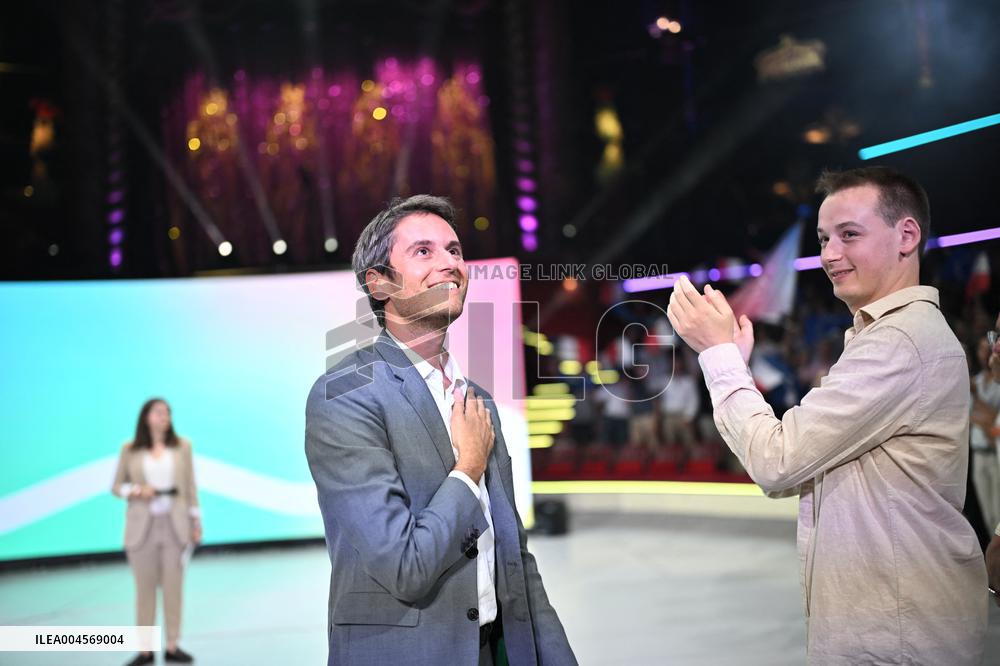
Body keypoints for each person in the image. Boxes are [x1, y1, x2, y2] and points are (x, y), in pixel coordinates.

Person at [667, 166, 987, 664]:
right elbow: (797, 460)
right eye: (823, 239)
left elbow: (777, 462)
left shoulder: (899, 342)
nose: (829, 255)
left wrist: (717, 356)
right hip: (896, 625)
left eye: (849, 235)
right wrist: (735, 367)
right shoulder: (893, 337)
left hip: (897, 637)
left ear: (907, 235)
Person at [305, 195, 576, 665]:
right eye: (424, 252)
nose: (450, 263)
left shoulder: (477, 399)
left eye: (454, 250)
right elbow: (404, 567)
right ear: (380, 283)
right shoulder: (344, 393)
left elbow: (514, 557)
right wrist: (468, 469)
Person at [112, 398, 201, 666]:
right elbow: (117, 486)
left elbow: (190, 486)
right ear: (146, 417)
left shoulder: (182, 446)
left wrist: (195, 521)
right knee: (145, 590)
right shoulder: (130, 449)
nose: (165, 417)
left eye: (168, 413)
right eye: (159, 412)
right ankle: (145, 650)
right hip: (143, 528)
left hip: (175, 526)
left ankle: (172, 645)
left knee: (174, 588)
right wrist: (135, 490)